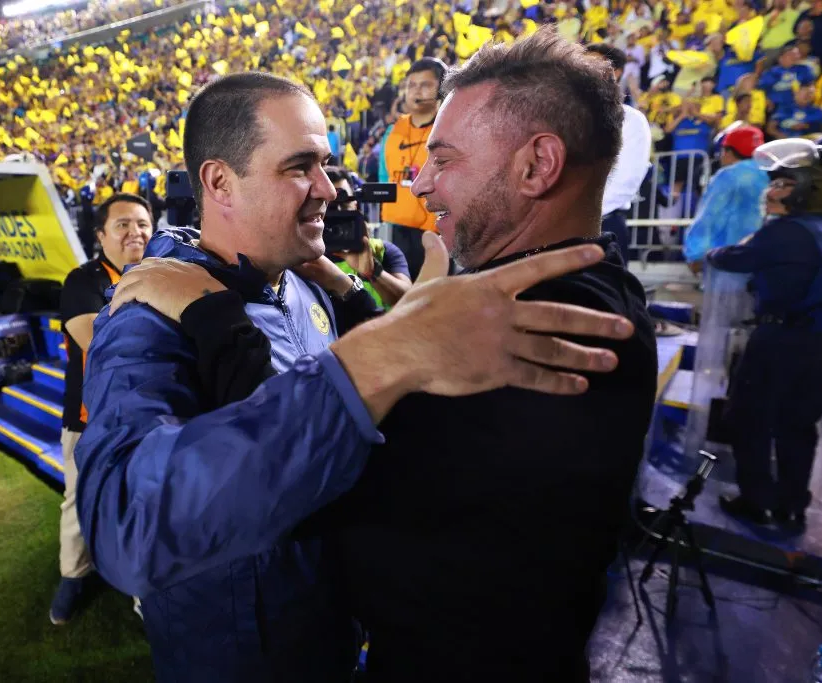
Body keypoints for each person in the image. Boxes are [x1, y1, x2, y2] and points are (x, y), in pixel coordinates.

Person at [75, 70, 637, 683]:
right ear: (219, 183)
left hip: (335, 637)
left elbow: (366, 452)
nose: (330, 189)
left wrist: (360, 317)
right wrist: (373, 348)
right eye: (300, 167)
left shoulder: (307, 283)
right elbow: (122, 523)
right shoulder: (149, 310)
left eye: (326, 163)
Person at [707, 139, 822, 532]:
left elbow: (726, 258)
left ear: (805, 190)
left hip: (781, 341)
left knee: (748, 418)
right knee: (798, 424)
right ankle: (792, 507)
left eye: (782, 183)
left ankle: (757, 503)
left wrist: (726, 249)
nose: (771, 190)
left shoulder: (784, 233)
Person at [48, 193, 153, 625]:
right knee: (77, 502)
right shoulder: (82, 280)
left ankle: (146, 592)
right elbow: (103, 344)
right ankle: (74, 575)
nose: (136, 232)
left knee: (146, 503)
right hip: (90, 419)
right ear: (101, 235)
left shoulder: (162, 270)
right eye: (123, 224)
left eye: (143, 223)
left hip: (147, 416)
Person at [379, 58, 447, 279]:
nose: (416, 91)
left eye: (425, 85)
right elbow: (384, 176)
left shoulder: (449, 129)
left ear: (442, 89)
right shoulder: (392, 131)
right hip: (395, 227)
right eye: (411, 85)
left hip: (436, 230)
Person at [588, 43, 653, 265]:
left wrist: (574, 213)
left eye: (591, 64)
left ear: (615, 73)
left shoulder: (632, 121)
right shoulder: (565, 118)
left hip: (603, 227)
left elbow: (625, 183)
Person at [684, 125, 770, 271]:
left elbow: (710, 218)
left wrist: (695, 254)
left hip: (728, 260)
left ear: (729, 151)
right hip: (764, 258)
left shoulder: (727, 176)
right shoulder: (771, 174)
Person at [325, 166, 412, 308]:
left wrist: (373, 272)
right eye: (330, 206)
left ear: (356, 204)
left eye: (344, 203)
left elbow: (409, 302)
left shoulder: (383, 251)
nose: (338, 212)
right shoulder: (303, 259)